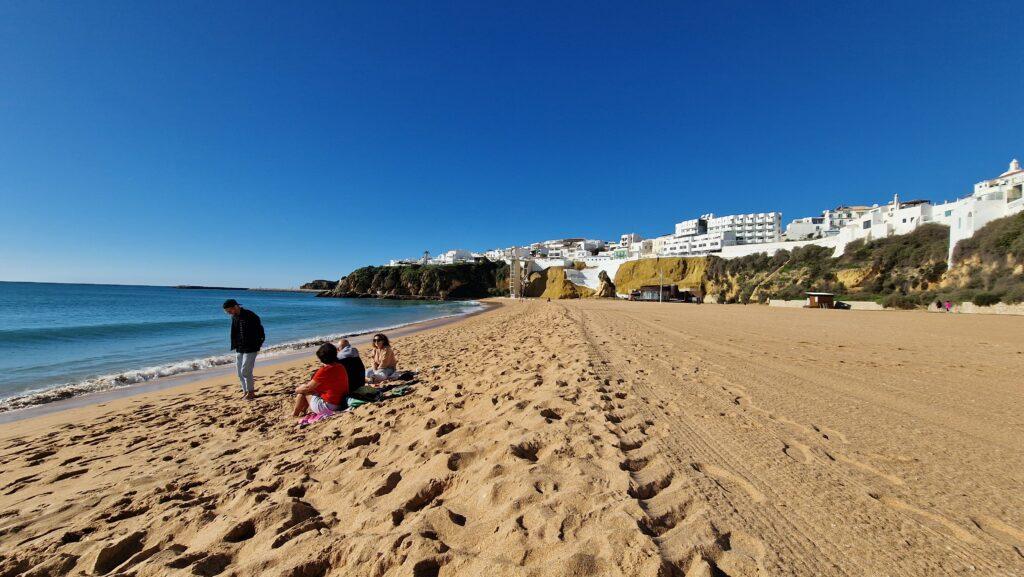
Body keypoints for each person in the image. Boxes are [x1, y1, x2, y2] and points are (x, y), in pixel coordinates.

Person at [223, 299, 265, 400]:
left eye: (229, 311)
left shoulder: (250, 315)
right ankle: (245, 391)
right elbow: (235, 332)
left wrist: (259, 343)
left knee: (245, 371)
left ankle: (251, 392)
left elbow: (260, 330)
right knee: (239, 373)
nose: (228, 313)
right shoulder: (234, 317)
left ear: (235, 307)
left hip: (251, 347)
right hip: (239, 347)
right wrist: (235, 344)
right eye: (227, 312)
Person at [293, 343, 349, 417]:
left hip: (328, 407)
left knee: (303, 391)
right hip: (342, 403)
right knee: (310, 390)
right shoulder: (341, 366)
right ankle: (302, 411)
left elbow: (307, 388)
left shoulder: (324, 370)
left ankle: (295, 414)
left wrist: (296, 390)